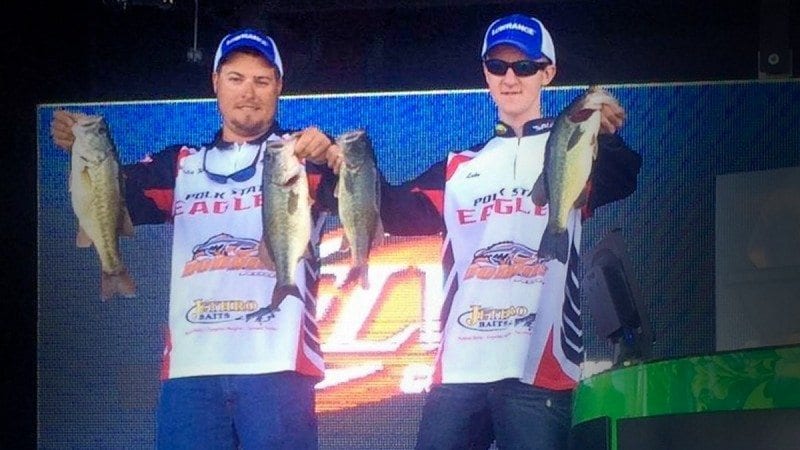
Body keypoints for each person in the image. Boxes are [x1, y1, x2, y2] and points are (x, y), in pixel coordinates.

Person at [51, 28, 342, 449]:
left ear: (279, 87)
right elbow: (111, 201)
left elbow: (370, 200)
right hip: (191, 373)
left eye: (262, 80)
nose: (249, 91)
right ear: (215, 83)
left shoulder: (301, 157)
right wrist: (80, 149)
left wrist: (335, 155)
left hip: (279, 366)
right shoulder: (181, 164)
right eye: (236, 78)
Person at [377, 13, 642, 450]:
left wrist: (606, 133)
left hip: (538, 368)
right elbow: (392, 211)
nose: (510, 78)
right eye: (498, 66)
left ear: (547, 73)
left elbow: (622, 177)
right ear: (486, 73)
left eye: (524, 67)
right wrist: (344, 166)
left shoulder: (570, 143)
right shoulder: (459, 168)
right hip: (459, 369)